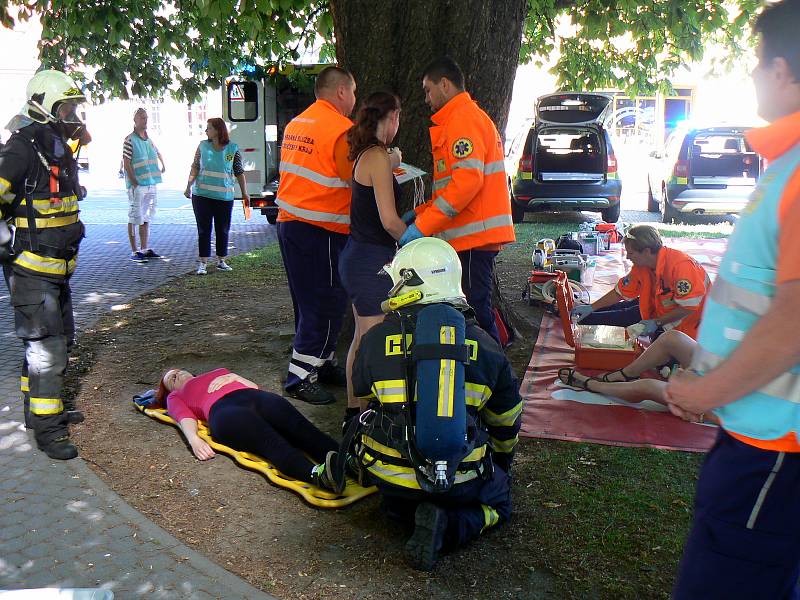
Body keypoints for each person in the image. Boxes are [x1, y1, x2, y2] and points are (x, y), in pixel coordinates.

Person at [666, 2, 800, 597]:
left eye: (755, 64)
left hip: (773, 452)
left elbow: (794, 318)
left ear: (781, 70)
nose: (749, 77)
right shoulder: (785, 166)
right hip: (763, 441)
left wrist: (703, 391)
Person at [351, 237, 522, 570]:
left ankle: (401, 511)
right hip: (461, 482)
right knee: (500, 504)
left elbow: (365, 398)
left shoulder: (372, 340)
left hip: (388, 477)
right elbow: (506, 419)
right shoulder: (486, 345)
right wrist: (501, 464)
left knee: (397, 499)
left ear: (410, 282)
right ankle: (450, 526)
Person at [0, 70, 90, 459]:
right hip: (33, 270)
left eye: (73, 107)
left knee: (51, 346)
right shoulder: (21, 148)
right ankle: (48, 432)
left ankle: (39, 413)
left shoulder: (54, 145)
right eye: (66, 107)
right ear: (43, 106)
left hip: (56, 269)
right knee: (47, 351)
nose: (72, 115)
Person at [398, 56, 515, 343]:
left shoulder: (462, 120)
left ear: (445, 85)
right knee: (472, 309)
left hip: (474, 237)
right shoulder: (460, 119)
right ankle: (488, 369)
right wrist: (420, 212)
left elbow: (466, 183)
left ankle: (494, 373)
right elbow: (452, 188)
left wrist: (422, 226)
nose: (425, 98)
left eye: (427, 90)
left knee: (475, 311)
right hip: (471, 237)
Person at [275, 66, 357, 405]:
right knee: (325, 302)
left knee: (307, 301)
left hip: (292, 221)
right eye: (353, 92)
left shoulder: (298, 123)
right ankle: (300, 375)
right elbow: (354, 178)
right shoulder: (340, 129)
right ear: (340, 92)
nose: (354, 99)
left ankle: (321, 363)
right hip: (322, 227)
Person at [154, 367, 343, 492]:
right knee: (272, 443)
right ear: (172, 389)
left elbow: (253, 387)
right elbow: (183, 417)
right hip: (225, 411)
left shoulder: (219, 371)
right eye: (172, 379)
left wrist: (235, 376)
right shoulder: (176, 396)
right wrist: (193, 439)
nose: (177, 374)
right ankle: (317, 475)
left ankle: (347, 460)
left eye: (178, 371)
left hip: (254, 396)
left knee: (301, 428)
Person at [339, 91, 406, 417]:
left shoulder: (372, 155)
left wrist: (392, 161)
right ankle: (362, 415)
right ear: (391, 116)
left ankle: (355, 411)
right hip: (369, 261)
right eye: (399, 117)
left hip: (360, 257)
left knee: (361, 337)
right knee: (370, 340)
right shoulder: (376, 158)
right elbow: (390, 221)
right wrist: (415, 242)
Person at [571, 224, 709, 340]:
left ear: (646, 251)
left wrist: (657, 322)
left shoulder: (681, 266)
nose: (627, 257)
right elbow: (620, 292)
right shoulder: (643, 265)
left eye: (631, 253)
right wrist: (592, 307)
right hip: (661, 309)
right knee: (626, 308)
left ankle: (584, 319)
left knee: (628, 316)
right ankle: (582, 316)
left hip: (689, 326)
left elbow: (688, 308)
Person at [557, 329, 716, 423]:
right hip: (718, 373)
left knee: (647, 386)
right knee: (672, 338)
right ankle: (626, 374)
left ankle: (592, 384)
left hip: (723, 403)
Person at [184, 118, 250, 275]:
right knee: (204, 229)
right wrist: (188, 187)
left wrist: (244, 192)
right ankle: (203, 262)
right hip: (202, 196)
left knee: (223, 229)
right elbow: (195, 167)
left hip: (224, 197)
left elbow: (239, 172)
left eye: (209, 128)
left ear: (218, 130)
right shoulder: (202, 146)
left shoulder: (232, 149)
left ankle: (221, 260)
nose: (206, 131)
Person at [123, 107, 165, 262]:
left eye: (146, 117)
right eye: (141, 118)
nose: (145, 120)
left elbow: (156, 152)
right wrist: (134, 182)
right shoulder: (129, 140)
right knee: (135, 217)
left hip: (151, 183)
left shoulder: (148, 139)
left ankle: (144, 248)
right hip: (138, 185)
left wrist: (163, 164)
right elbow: (126, 162)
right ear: (135, 120)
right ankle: (134, 251)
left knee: (146, 217)